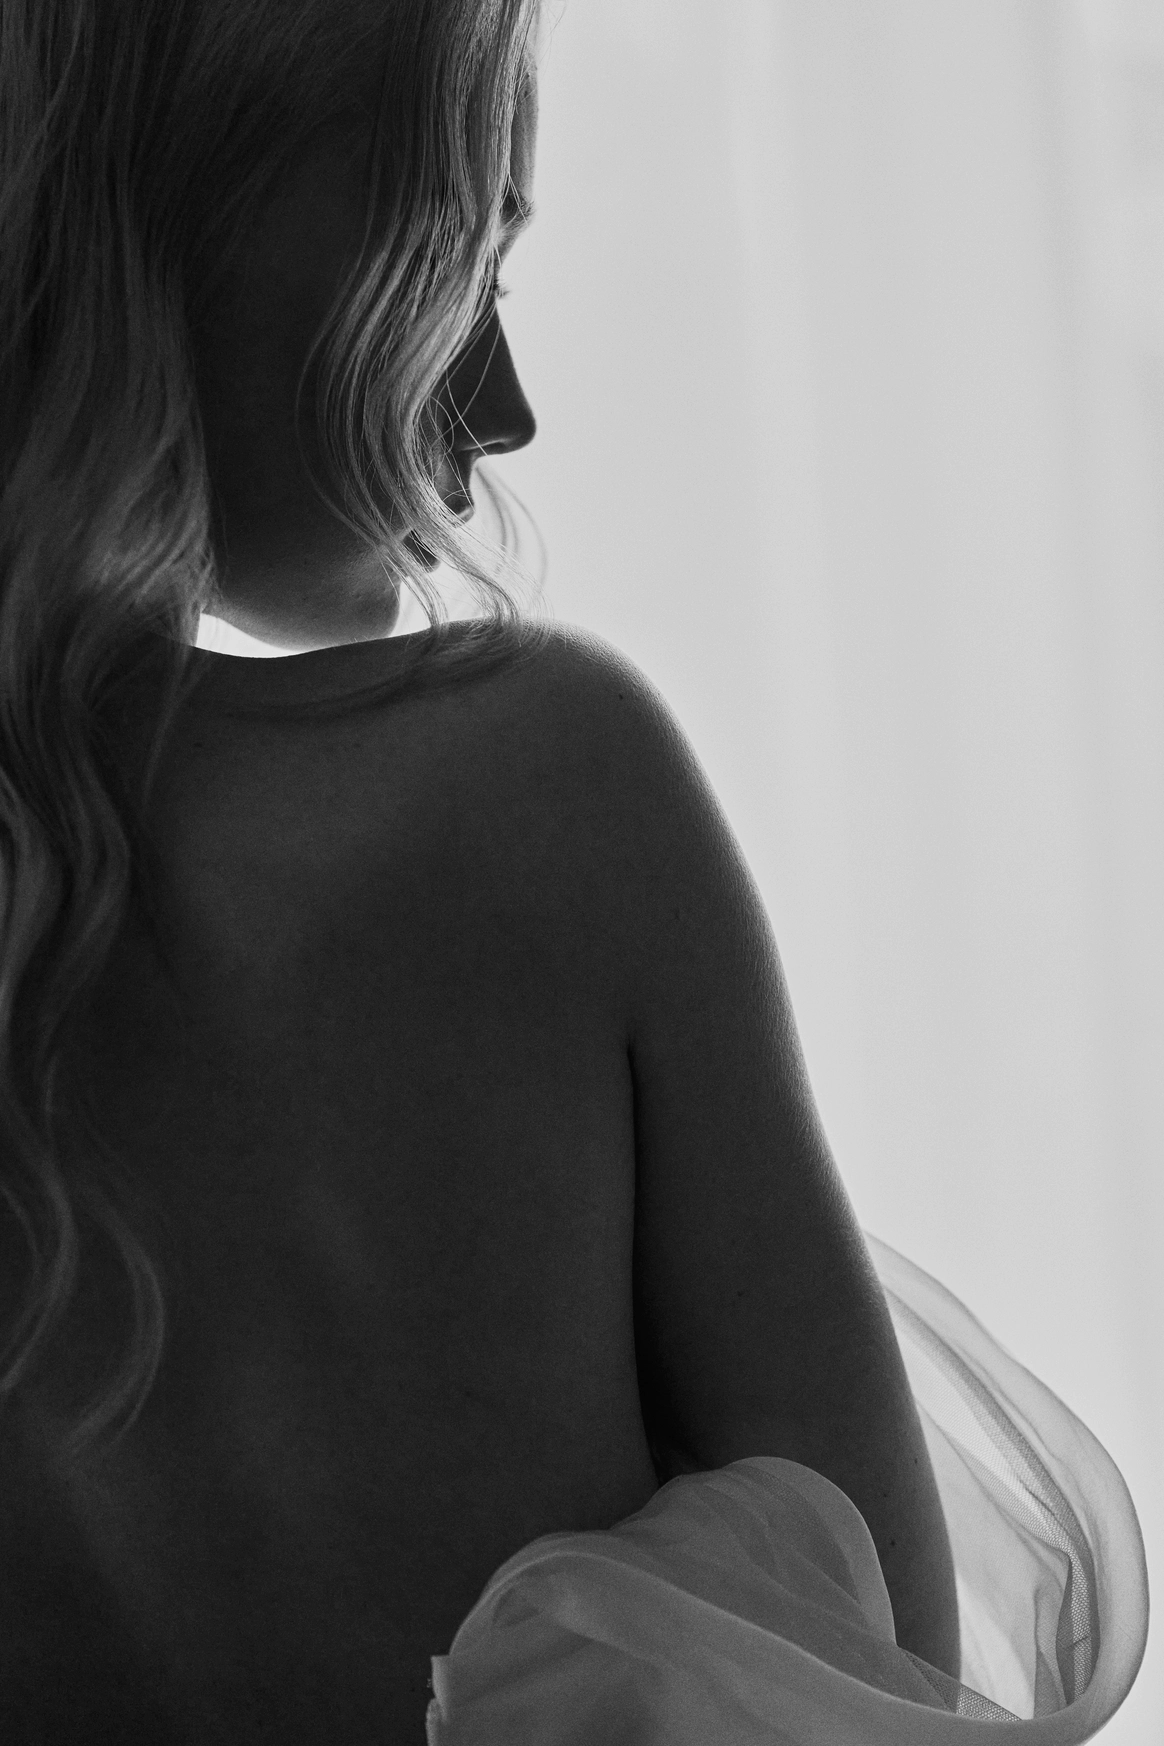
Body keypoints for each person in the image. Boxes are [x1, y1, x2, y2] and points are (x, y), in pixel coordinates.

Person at [0, 3, 1146, 1742]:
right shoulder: (547, 784)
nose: (504, 409)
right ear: (172, 212)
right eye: (452, 263)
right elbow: (875, 1678)